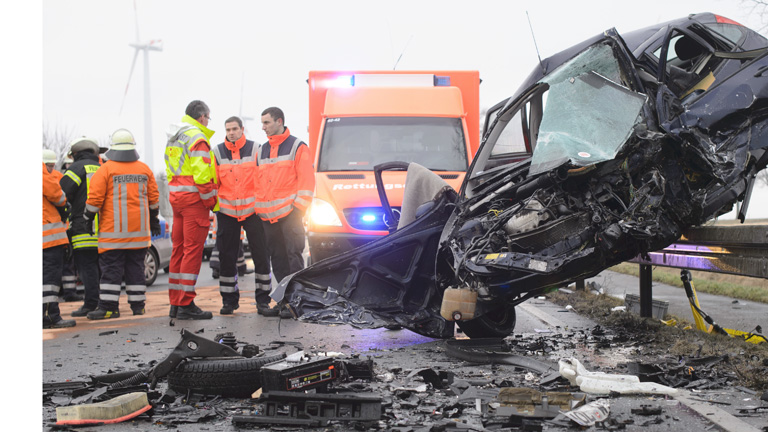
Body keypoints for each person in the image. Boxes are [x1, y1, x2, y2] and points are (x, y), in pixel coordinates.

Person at [84, 129, 160, 319]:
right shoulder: (144, 169)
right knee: (136, 269)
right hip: (139, 234)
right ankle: (138, 306)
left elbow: (94, 200)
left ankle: (109, 308)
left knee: (111, 270)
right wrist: (154, 220)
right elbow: (154, 200)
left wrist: (87, 218)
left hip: (113, 235)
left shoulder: (105, 170)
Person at [212, 116, 274, 316]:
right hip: (227, 211)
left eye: (234, 129)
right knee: (226, 257)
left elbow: (265, 179)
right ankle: (229, 301)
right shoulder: (217, 152)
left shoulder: (257, 149)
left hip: (253, 211)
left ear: (242, 129)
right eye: (228, 129)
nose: (231, 133)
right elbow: (213, 181)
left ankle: (263, 301)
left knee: (261, 255)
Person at [255, 107, 314, 317]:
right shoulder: (262, 150)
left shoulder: (297, 147)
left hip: (290, 214)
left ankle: (297, 303)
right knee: (278, 260)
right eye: (262, 123)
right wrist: (259, 209)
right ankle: (284, 302)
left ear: (279, 121)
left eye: (267, 123)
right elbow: (257, 182)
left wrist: (297, 210)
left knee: (293, 258)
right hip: (268, 217)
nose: (263, 127)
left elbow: (307, 181)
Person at [164, 100, 217, 320]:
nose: (208, 122)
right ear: (202, 116)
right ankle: (186, 303)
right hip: (194, 201)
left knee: (178, 250)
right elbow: (203, 176)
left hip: (177, 200)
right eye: (208, 118)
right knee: (192, 252)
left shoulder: (174, 136)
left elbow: (170, 170)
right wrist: (210, 202)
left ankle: (176, 303)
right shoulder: (197, 137)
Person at [59, 137, 102, 317]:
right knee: (102, 268)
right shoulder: (103, 168)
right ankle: (104, 303)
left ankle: (91, 304)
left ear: (75, 154)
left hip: (84, 227)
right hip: (106, 228)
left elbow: (60, 193)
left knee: (87, 267)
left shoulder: (76, 169)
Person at [44, 149, 83, 302]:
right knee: (54, 267)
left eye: (52, 165)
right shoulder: (47, 178)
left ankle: (69, 292)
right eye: (48, 165)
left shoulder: (58, 176)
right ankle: (60, 297)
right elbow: (60, 198)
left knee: (66, 263)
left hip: (61, 228)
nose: (50, 168)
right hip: (52, 231)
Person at [43, 162, 76, 329]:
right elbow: (58, 196)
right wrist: (65, 204)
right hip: (48, 239)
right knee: (49, 280)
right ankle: (50, 316)